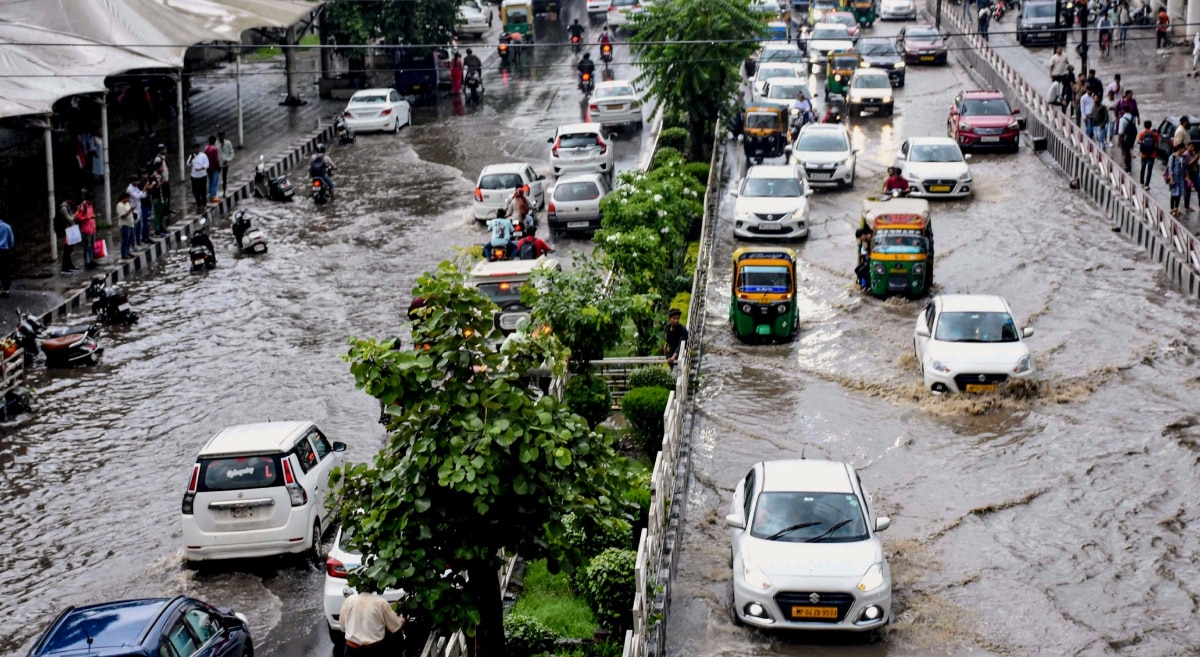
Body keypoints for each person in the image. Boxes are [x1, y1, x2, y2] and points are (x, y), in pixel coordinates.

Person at [339, 590, 405, 657]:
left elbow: (343, 627)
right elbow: (396, 626)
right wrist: (401, 619)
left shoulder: (349, 601)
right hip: (374, 650)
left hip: (351, 649)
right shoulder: (381, 603)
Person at [55, 193, 78, 273]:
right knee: (67, 250)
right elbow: (70, 219)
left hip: (70, 230)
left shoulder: (68, 207)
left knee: (70, 249)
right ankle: (65, 267)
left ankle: (70, 265)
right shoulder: (64, 208)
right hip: (67, 231)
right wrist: (76, 213)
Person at [75, 192, 98, 270]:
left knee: (92, 246)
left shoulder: (90, 206)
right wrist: (87, 217)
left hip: (92, 228)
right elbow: (78, 217)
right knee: (87, 246)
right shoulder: (82, 207)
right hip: (86, 229)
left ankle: (91, 260)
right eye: (90, 200)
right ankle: (87, 262)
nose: (91, 202)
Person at [187, 142, 209, 213]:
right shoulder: (191, 156)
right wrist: (191, 159)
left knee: (203, 191)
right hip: (194, 176)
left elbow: (207, 164)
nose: (195, 150)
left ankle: (204, 204)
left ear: (198, 148)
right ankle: (199, 205)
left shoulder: (203, 156)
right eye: (193, 149)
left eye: (196, 148)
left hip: (202, 176)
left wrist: (202, 168)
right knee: (196, 191)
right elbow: (188, 164)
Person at [1137, 120, 1160, 189]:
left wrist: (1143, 143)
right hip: (1152, 154)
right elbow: (1157, 143)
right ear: (1150, 126)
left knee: (1143, 168)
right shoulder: (1154, 134)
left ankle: (1141, 182)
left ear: (1144, 126)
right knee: (1149, 170)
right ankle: (1147, 184)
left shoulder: (1142, 133)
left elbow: (1138, 142)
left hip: (1144, 154)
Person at [1167, 143, 1187, 216]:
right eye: (1183, 149)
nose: (1184, 150)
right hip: (1174, 177)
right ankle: (1172, 208)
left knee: (1179, 194)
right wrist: (1171, 178)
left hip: (1181, 178)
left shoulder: (1182, 157)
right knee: (1174, 193)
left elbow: (1184, 168)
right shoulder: (1173, 157)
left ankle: (1176, 208)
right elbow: (1170, 168)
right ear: (1179, 149)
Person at [116, 191, 137, 260]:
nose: (129, 200)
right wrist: (130, 210)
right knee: (125, 240)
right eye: (128, 198)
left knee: (129, 240)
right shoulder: (119, 205)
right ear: (124, 198)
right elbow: (123, 216)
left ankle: (128, 252)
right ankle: (124, 254)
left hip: (130, 224)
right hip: (124, 225)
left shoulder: (127, 204)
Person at [151, 161, 169, 236]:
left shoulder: (161, 175)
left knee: (162, 214)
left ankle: (161, 228)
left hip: (163, 197)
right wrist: (161, 183)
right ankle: (157, 230)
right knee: (157, 215)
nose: (162, 169)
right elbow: (153, 189)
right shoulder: (153, 177)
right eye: (161, 167)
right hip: (157, 198)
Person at [1117, 107, 1137, 172]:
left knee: (1126, 152)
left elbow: (1121, 132)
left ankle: (1127, 167)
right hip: (1132, 137)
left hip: (1125, 138)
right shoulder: (1133, 118)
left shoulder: (1122, 119)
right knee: (1129, 150)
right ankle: (1129, 165)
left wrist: (1119, 141)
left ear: (1123, 110)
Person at [204, 135, 221, 204]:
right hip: (214, 167)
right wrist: (218, 167)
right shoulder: (214, 149)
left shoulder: (206, 148)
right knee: (215, 181)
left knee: (210, 181)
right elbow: (216, 160)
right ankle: (213, 196)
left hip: (208, 167)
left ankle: (210, 194)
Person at [218, 131, 235, 198]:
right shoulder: (216, 144)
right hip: (218, 163)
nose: (221, 137)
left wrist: (228, 159)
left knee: (224, 177)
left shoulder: (228, 143)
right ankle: (215, 193)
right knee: (216, 178)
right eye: (220, 136)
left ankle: (224, 192)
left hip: (225, 163)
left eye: (222, 136)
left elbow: (232, 153)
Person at [0, 216, 13, 297]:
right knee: (5, 270)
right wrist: (9, 247)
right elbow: (11, 240)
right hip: (4, 250)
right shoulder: (7, 227)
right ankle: (6, 289)